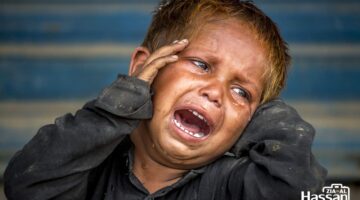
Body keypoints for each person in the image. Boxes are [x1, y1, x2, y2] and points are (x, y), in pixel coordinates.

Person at [4, 0, 327, 199]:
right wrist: (122, 102)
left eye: (241, 91)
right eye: (201, 65)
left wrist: (263, 116)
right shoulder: (89, 167)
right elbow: (27, 183)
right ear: (145, 67)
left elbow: (297, 191)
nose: (215, 92)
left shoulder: (236, 183)